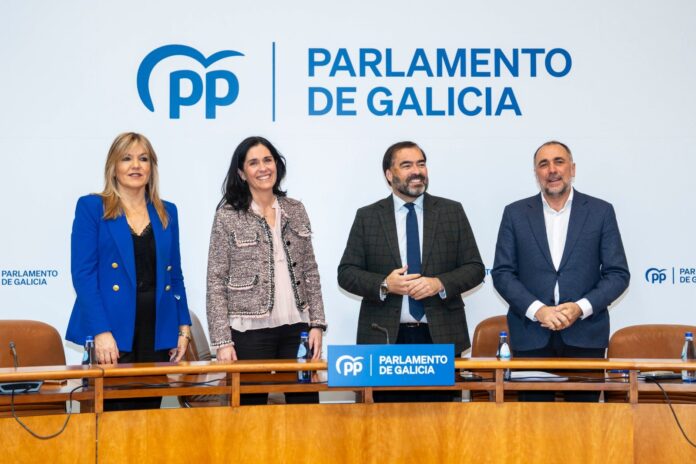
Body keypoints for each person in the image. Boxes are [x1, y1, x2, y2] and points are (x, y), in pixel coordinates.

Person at [337, 141, 485, 402]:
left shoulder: (451, 212)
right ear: (389, 174)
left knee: (440, 421)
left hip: (439, 338)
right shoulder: (368, 216)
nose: (417, 171)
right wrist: (385, 284)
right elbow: (346, 273)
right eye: (407, 165)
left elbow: (475, 268)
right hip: (384, 339)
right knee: (386, 422)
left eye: (421, 164)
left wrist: (439, 283)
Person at [492, 140, 630, 402]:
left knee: (583, 420)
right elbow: (502, 273)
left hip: (585, 335)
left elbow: (617, 274)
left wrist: (579, 308)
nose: (552, 170)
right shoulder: (515, 213)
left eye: (559, 162)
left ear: (572, 168)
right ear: (536, 173)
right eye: (543, 164)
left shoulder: (600, 211)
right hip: (531, 335)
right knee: (533, 420)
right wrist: (538, 310)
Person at [66, 132, 192, 410]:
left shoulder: (167, 211)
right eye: (126, 158)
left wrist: (183, 328)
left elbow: (175, 275)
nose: (136, 165)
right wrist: (101, 331)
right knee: (112, 419)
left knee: (147, 421)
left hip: (156, 331)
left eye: (143, 159)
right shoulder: (92, 207)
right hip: (112, 333)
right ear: (113, 167)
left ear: (151, 167)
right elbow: (83, 276)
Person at [206, 136, 327, 405]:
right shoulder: (227, 215)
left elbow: (310, 270)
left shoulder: (295, 209)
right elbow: (215, 279)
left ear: (277, 165)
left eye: (267, 160)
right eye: (253, 163)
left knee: (305, 406)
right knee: (250, 410)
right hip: (249, 331)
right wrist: (222, 342)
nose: (263, 168)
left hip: (298, 327)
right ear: (241, 173)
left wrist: (317, 324)